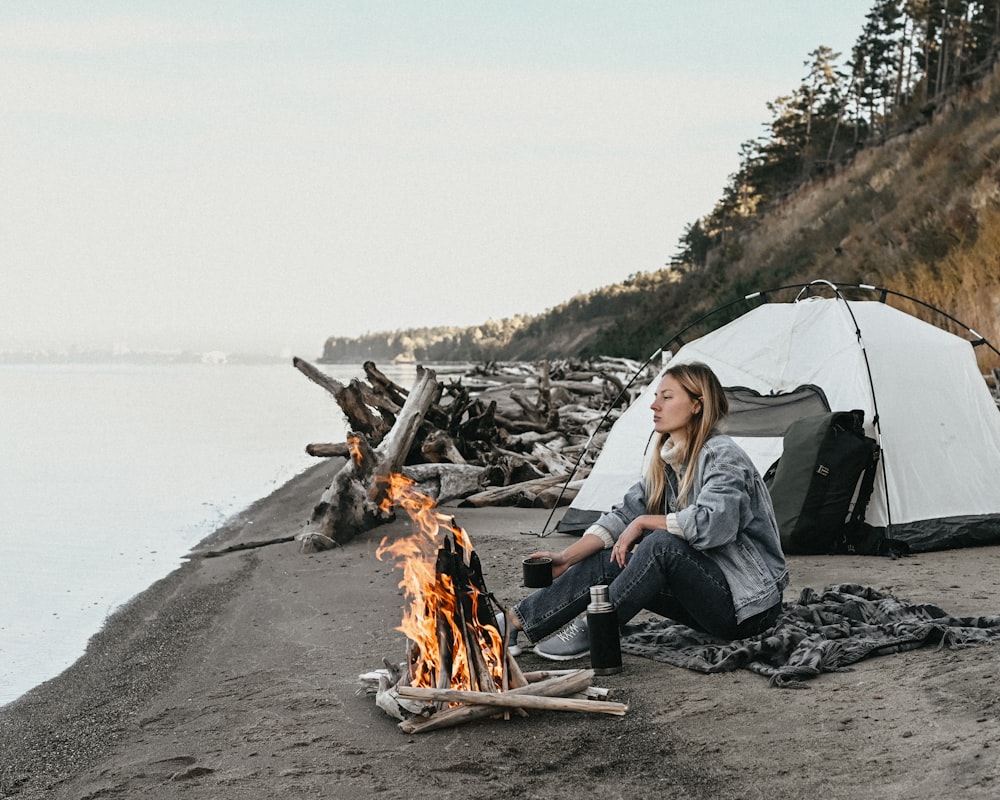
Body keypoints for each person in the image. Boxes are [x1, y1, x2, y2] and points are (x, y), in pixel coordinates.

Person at [500, 361, 788, 661]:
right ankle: (517, 622)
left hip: (751, 606)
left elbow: (715, 525)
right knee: (607, 560)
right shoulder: (668, 462)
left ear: (696, 405)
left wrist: (644, 522)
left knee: (662, 545)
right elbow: (623, 516)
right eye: (655, 397)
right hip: (708, 597)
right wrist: (566, 558)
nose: (654, 405)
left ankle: (596, 627)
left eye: (667, 397)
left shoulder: (722, 456)